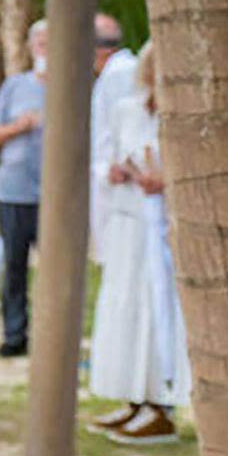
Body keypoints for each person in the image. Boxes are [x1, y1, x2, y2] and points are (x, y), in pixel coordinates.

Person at [88, 46, 189, 443]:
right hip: (129, 223)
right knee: (125, 310)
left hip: (162, 226)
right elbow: (108, 155)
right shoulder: (128, 109)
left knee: (158, 310)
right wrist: (112, 172)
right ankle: (132, 396)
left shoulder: (182, 116)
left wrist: (166, 183)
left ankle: (161, 403)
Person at [0, 20, 48, 359]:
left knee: (54, 269)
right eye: (39, 43)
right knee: (14, 265)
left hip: (54, 197)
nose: (44, 49)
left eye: (50, 43)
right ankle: (14, 335)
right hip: (14, 191)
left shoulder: (72, 87)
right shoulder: (15, 86)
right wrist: (18, 128)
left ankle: (54, 337)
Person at [87, 15, 138, 268]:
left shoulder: (121, 73)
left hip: (120, 182)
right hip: (109, 179)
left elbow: (127, 129)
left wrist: (118, 166)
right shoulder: (111, 74)